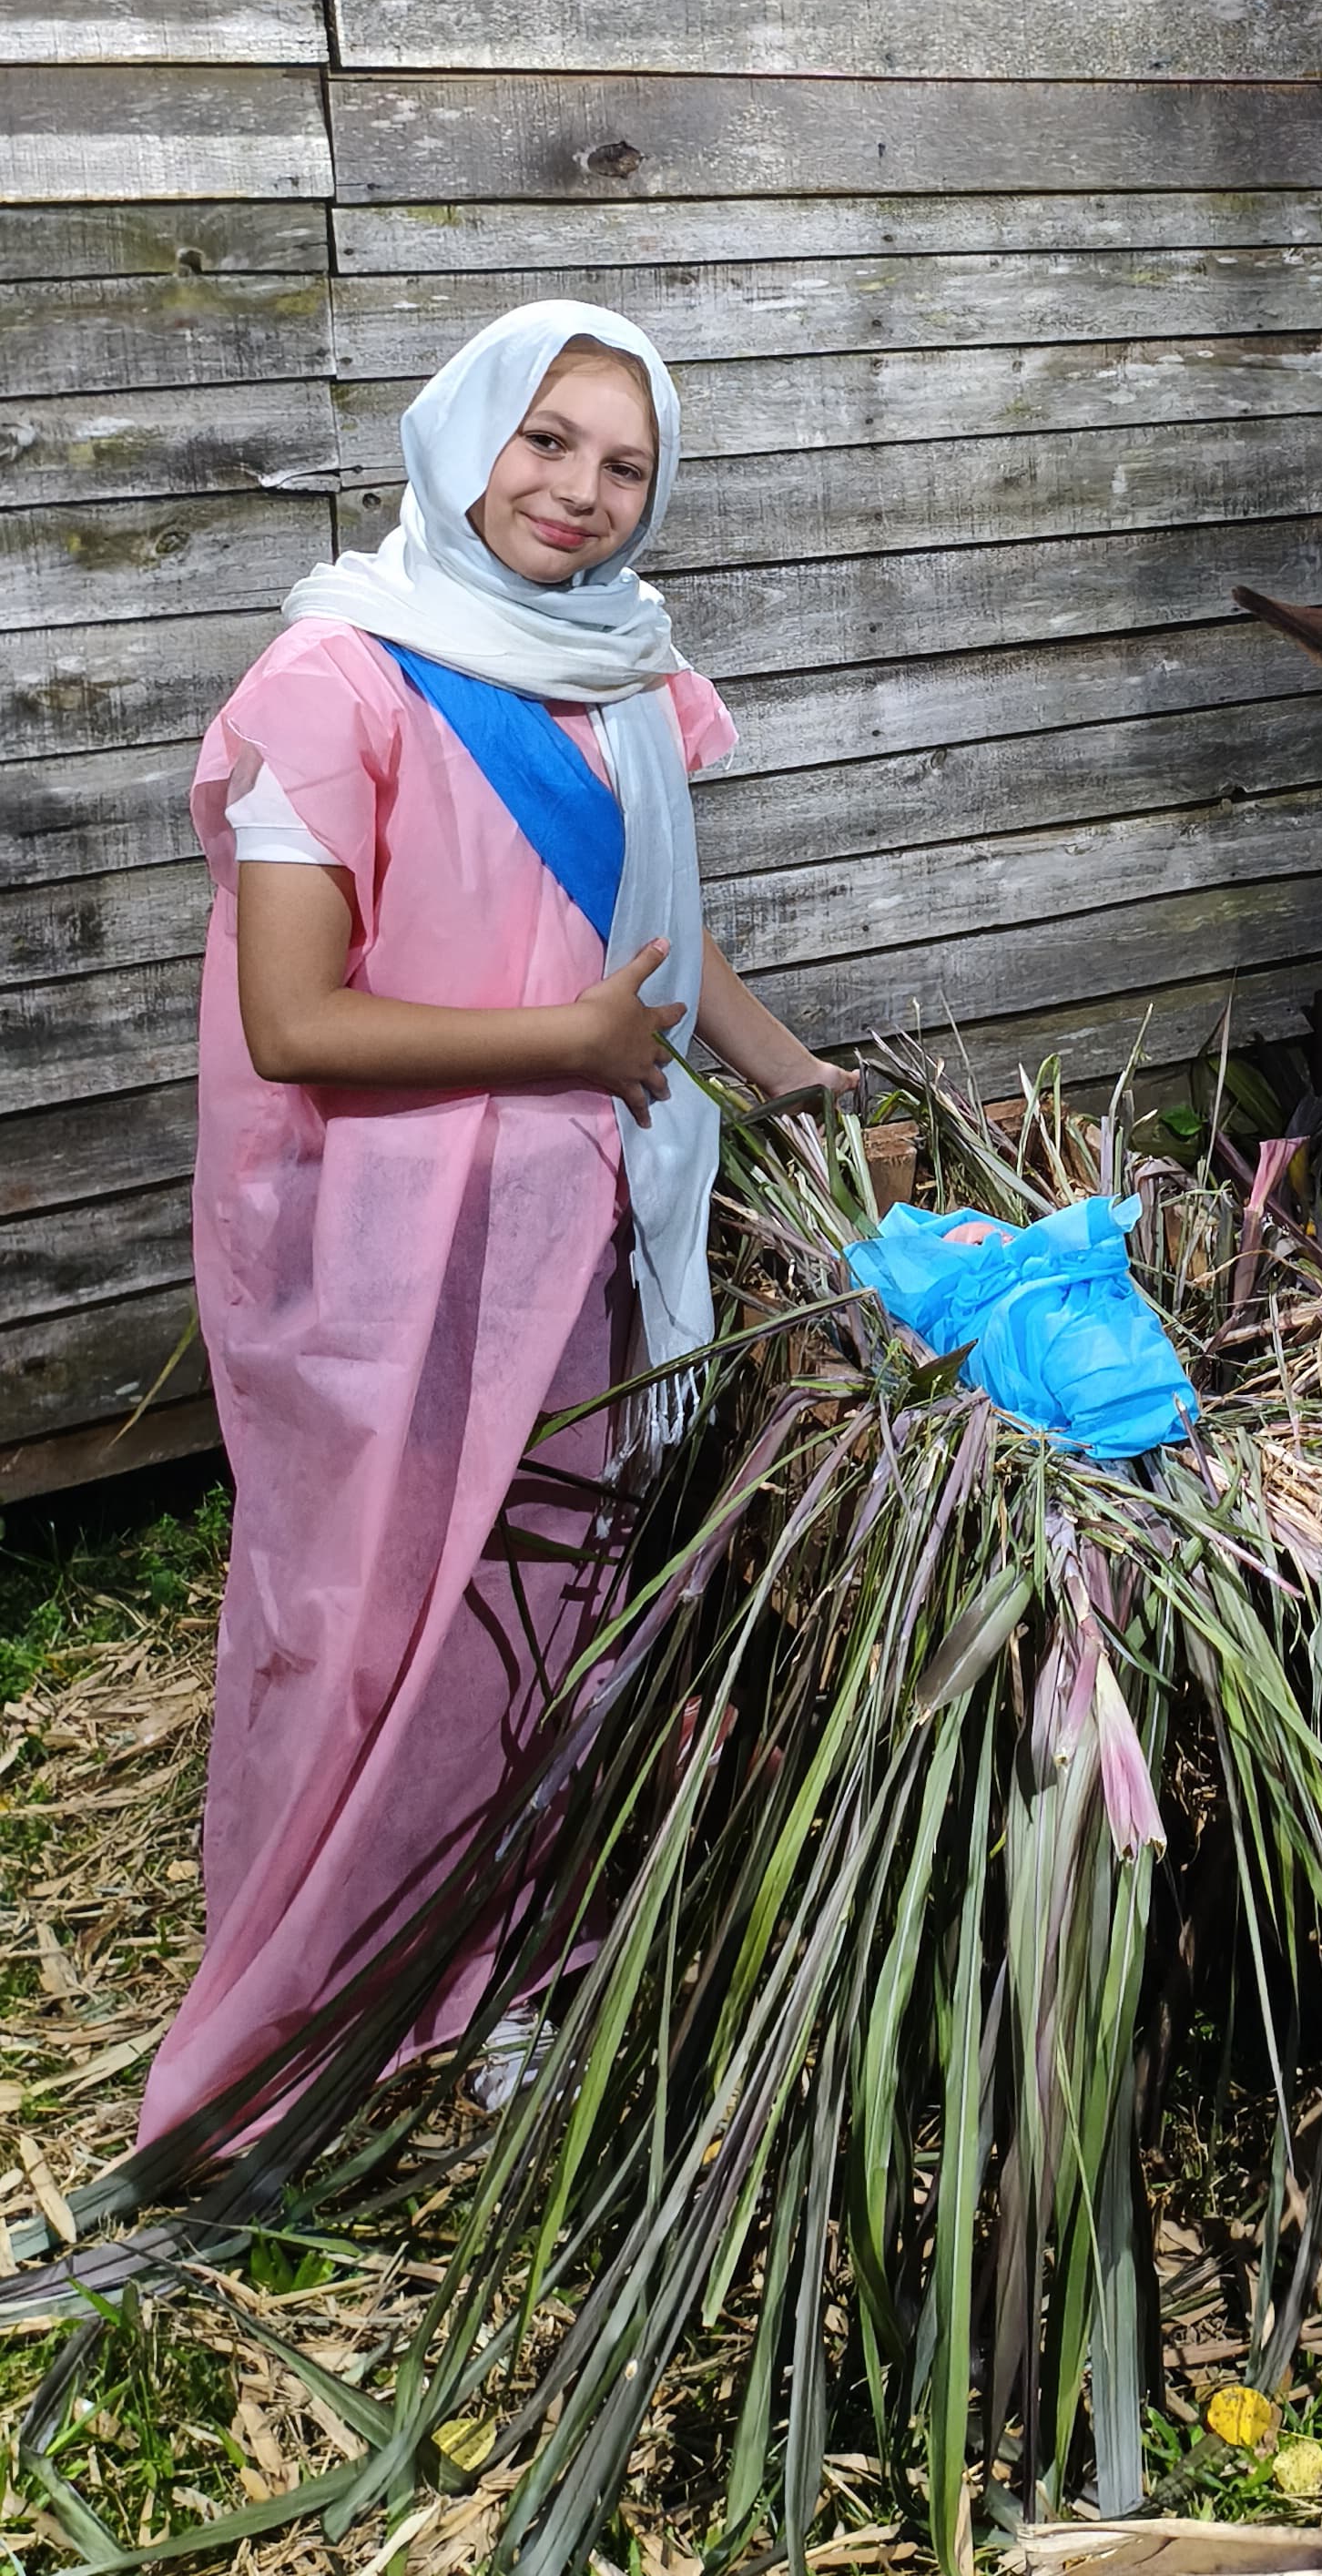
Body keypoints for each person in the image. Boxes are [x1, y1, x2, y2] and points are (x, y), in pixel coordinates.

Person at [142, 303, 855, 2146]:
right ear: (465, 432)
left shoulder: (620, 673)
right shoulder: (340, 678)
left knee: (548, 1591)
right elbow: (299, 1020)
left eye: (625, 463)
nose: (582, 492)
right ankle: (330, 1975)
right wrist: (578, 1039)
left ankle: (504, 1953)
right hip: (382, 1254)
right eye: (547, 440)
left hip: (579, 1228)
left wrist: (797, 1083)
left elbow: (659, 938)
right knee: (366, 1610)